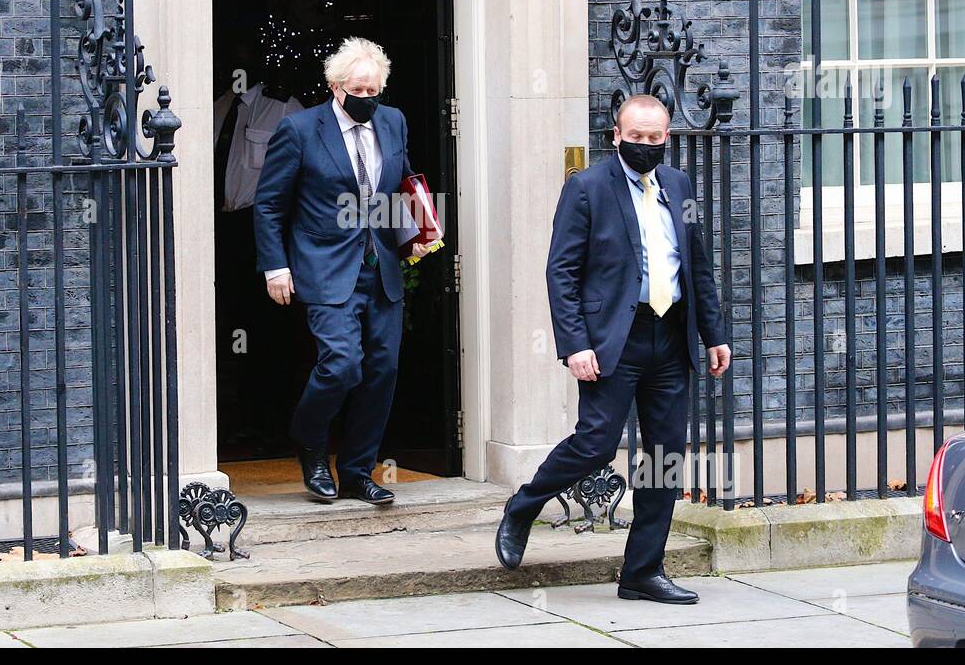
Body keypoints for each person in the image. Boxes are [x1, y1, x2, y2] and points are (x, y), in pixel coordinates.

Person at [494, 93, 731, 604]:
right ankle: (525, 505)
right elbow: (562, 272)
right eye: (636, 136)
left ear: (666, 137)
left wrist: (714, 334)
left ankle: (643, 571)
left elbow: (698, 265)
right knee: (596, 443)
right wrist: (574, 344)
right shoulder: (586, 187)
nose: (646, 145)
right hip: (612, 342)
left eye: (655, 137)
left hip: (670, 337)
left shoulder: (679, 185)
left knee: (664, 455)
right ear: (616, 135)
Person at [254, 37, 439, 505]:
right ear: (336, 87)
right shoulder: (298, 130)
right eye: (360, 89)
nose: (369, 99)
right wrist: (275, 267)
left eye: (376, 90)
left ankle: (358, 471)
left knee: (382, 370)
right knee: (341, 364)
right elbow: (270, 204)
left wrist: (417, 231)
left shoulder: (393, 121)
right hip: (324, 268)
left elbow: (401, 181)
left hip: (382, 268)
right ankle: (310, 442)